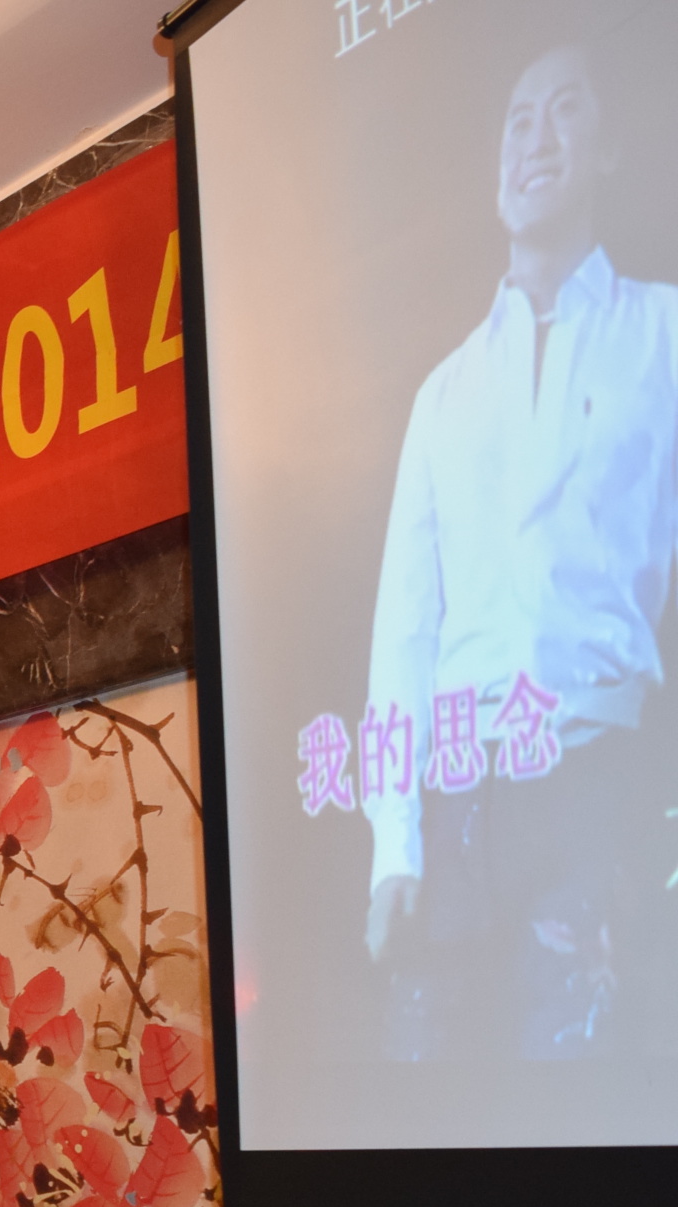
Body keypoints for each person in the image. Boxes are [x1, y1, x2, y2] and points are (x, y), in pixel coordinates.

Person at [362, 43, 673, 1060]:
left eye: (563, 111)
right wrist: (393, 844)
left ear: (608, 147)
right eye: (517, 119)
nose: (534, 139)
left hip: (597, 775)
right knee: (436, 1095)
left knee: (581, 1079)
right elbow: (405, 630)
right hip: (456, 801)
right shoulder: (444, 391)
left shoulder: (663, 336)